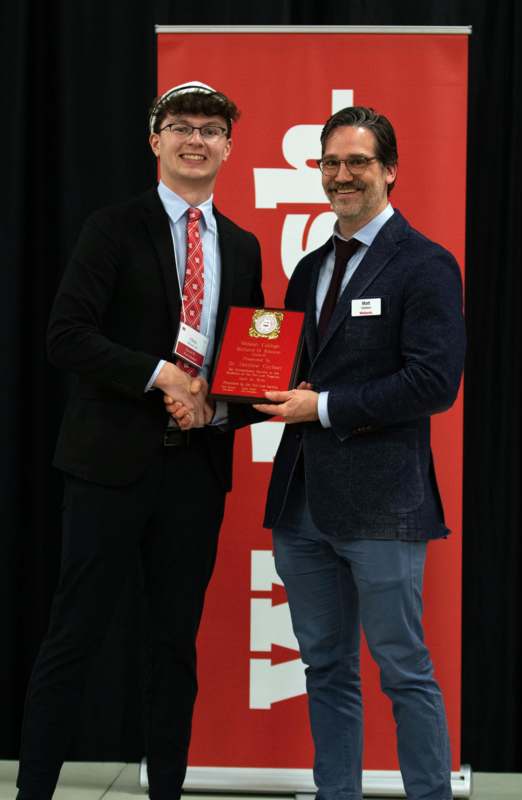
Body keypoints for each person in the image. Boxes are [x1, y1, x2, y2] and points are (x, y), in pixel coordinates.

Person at [16, 81, 263, 800]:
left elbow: (246, 366)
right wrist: (164, 377)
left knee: (171, 650)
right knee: (73, 639)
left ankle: (166, 794)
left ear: (228, 146)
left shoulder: (243, 246)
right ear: (154, 141)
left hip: (193, 475)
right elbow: (67, 336)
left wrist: (214, 406)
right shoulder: (112, 227)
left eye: (212, 129)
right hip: (106, 468)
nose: (196, 139)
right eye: (181, 126)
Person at [254, 106, 465, 800]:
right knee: (325, 667)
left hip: (381, 505)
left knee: (402, 667)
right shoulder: (310, 267)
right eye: (331, 163)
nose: (343, 175)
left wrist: (326, 406)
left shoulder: (427, 264)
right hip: (301, 503)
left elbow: (433, 383)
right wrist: (221, 395)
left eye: (359, 162)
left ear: (390, 170)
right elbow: (286, 373)